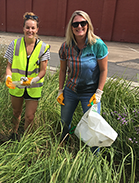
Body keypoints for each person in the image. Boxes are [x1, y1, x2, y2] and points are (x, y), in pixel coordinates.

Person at [57, 10, 108, 152]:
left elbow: (104, 70)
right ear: (71, 27)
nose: (79, 26)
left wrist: (98, 93)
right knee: (64, 122)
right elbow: (62, 70)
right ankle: (62, 148)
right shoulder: (65, 46)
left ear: (88, 24)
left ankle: (94, 158)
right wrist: (60, 91)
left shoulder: (98, 45)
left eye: (82, 23)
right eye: (76, 24)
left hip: (90, 94)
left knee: (93, 127)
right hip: (70, 92)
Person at [4, 12, 50, 141]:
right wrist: (8, 77)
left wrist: (33, 80)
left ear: (37, 29)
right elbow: (9, 66)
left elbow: (43, 71)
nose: (30, 30)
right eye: (27, 27)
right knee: (16, 113)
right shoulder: (14, 44)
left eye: (33, 28)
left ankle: (26, 139)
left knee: (29, 116)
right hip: (16, 86)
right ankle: (14, 134)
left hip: (33, 87)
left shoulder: (43, 48)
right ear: (23, 28)